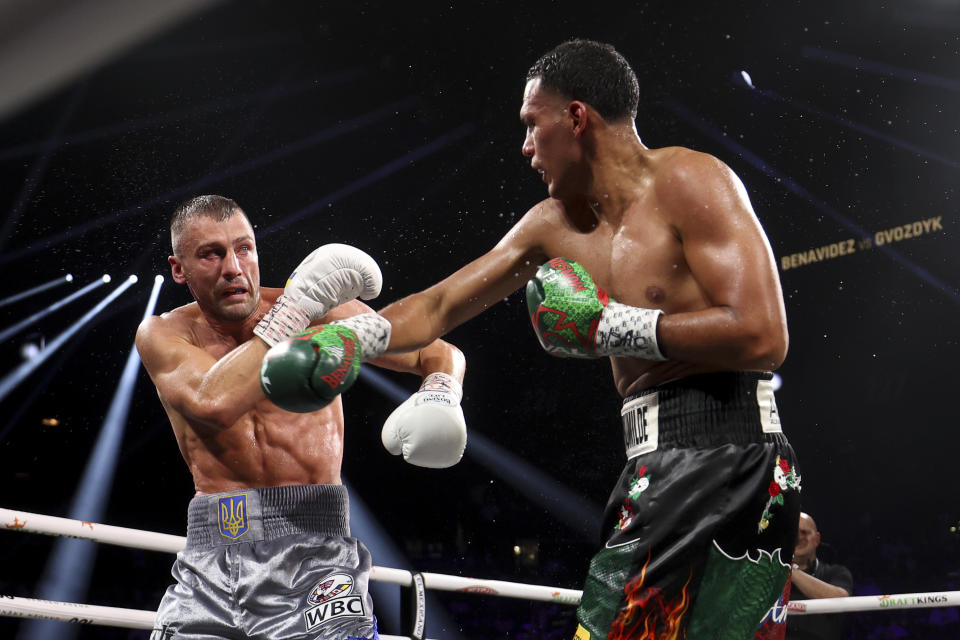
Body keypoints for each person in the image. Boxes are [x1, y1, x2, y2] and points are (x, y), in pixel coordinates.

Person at [261, 39, 802, 639]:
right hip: (653, 458)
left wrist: (606, 326)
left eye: (531, 125)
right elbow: (440, 303)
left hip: (727, 452)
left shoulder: (690, 180)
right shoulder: (552, 223)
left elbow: (762, 335)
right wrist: (357, 336)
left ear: (576, 117)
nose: (525, 148)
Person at [136, 194, 468, 640]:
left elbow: (437, 351)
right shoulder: (164, 333)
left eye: (244, 248)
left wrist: (441, 390)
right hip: (209, 562)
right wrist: (295, 313)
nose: (233, 267)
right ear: (179, 269)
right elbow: (213, 402)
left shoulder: (322, 313)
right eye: (211, 254)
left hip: (317, 556)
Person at [786, 513, 853, 640]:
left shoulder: (836, 572)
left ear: (817, 539)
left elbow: (840, 599)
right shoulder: (772, 576)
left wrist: (790, 570)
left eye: (804, 532)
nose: (799, 537)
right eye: (793, 532)